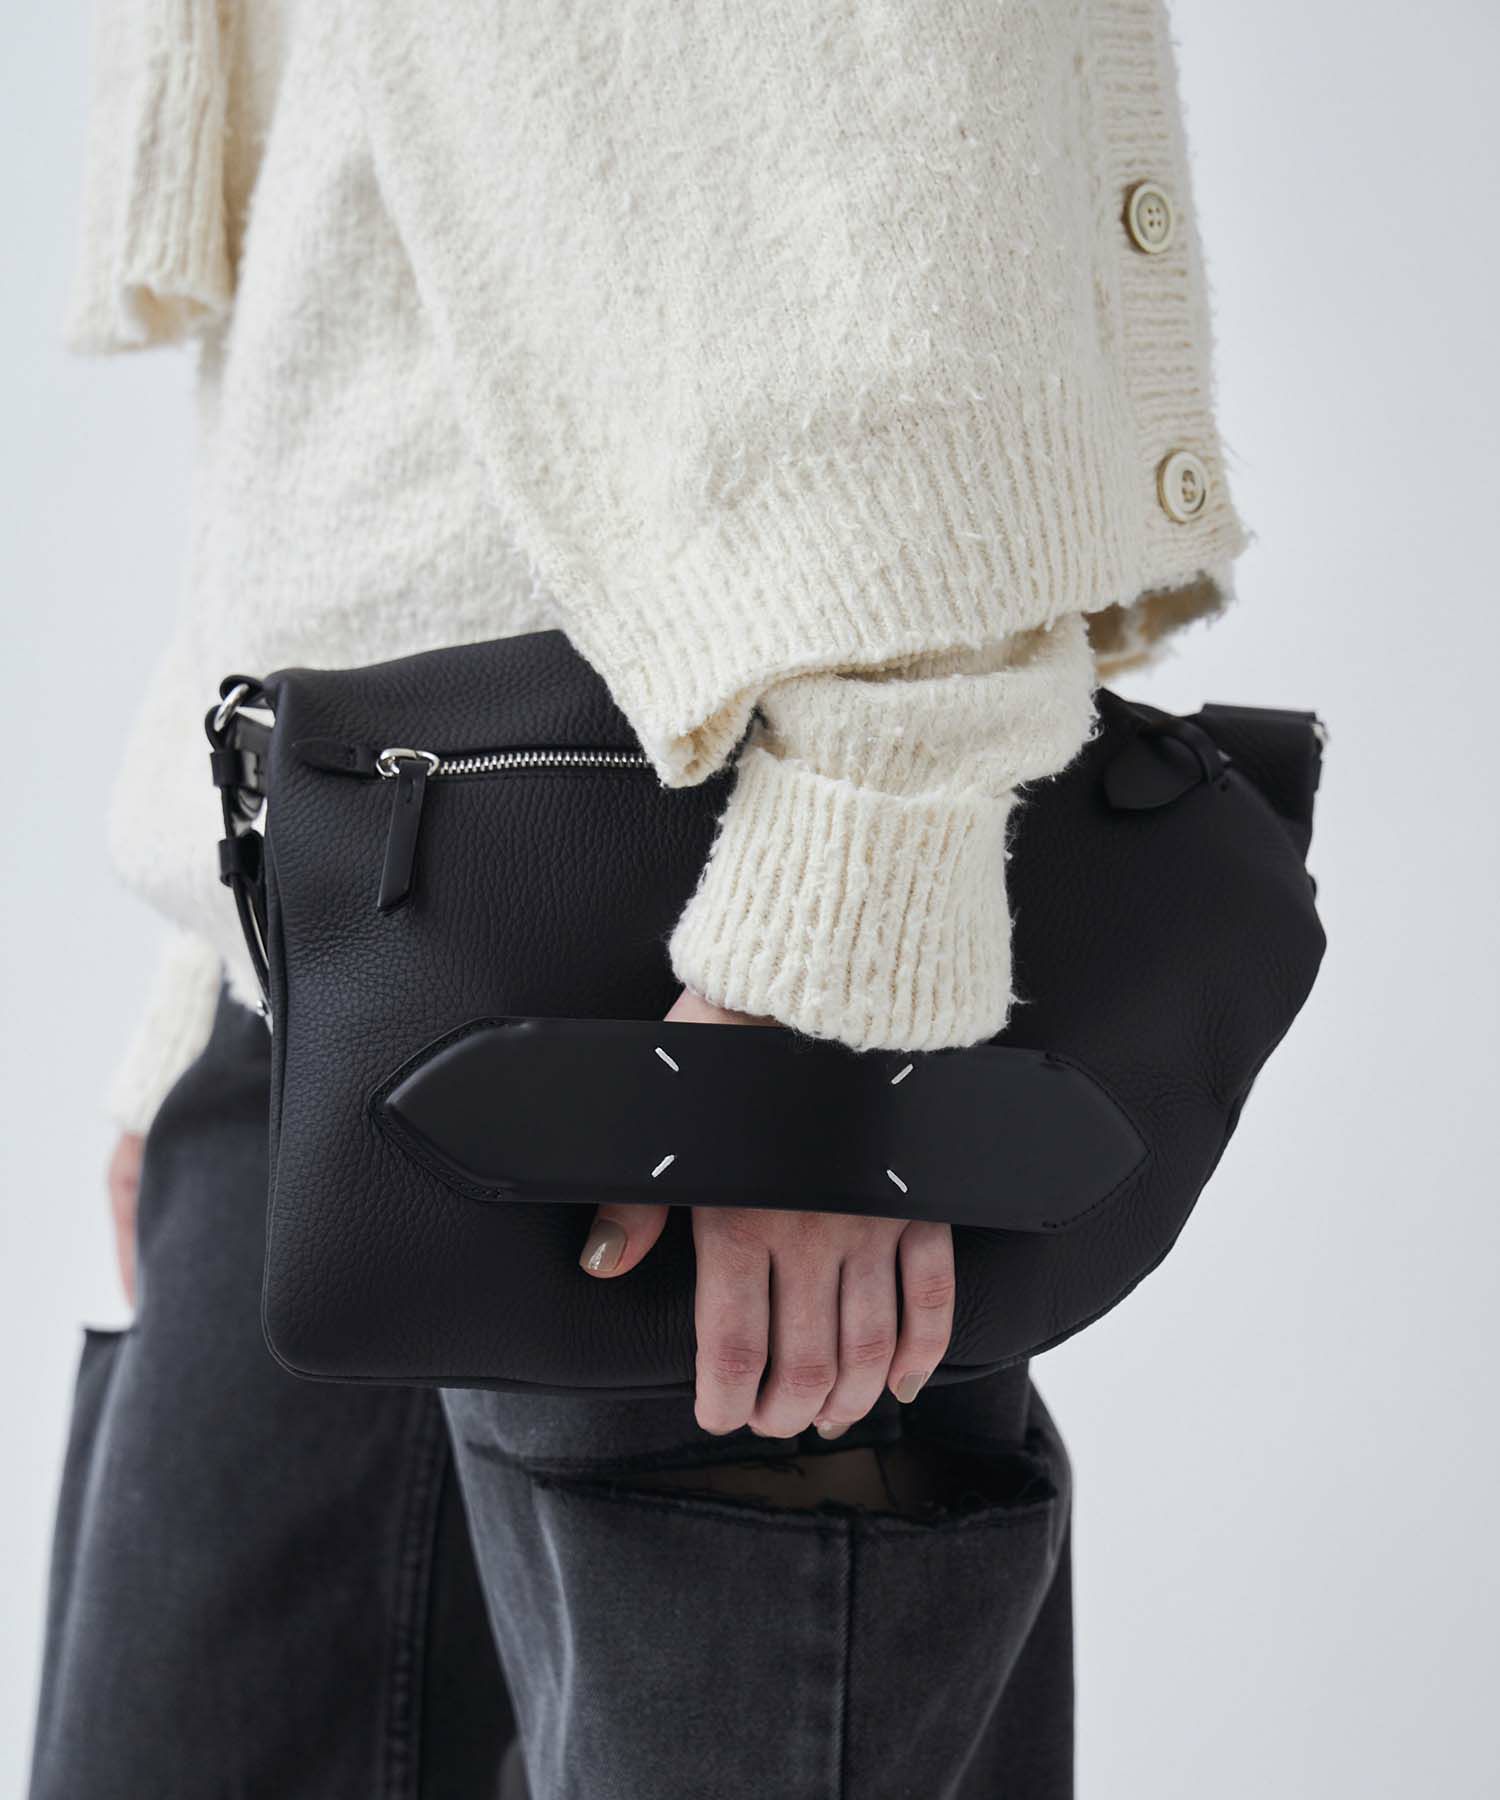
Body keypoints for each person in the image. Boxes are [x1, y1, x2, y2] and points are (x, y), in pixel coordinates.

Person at [30, 3, 1245, 1795]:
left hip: (713, 949)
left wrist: (844, 948)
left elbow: (925, 104)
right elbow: (353, 223)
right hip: (326, 951)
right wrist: (226, 932)